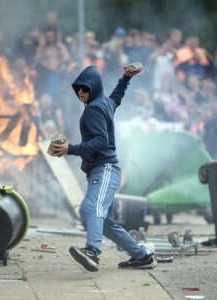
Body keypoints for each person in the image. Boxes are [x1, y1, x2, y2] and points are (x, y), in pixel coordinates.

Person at [51, 64, 157, 272]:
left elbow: (101, 141)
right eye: (78, 89)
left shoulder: (93, 109)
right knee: (105, 222)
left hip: (105, 168)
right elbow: (116, 97)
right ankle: (141, 256)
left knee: (92, 208)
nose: (81, 93)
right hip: (102, 170)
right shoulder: (104, 103)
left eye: (85, 88)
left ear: (94, 88)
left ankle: (92, 251)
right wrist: (125, 78)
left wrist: (69, 149)